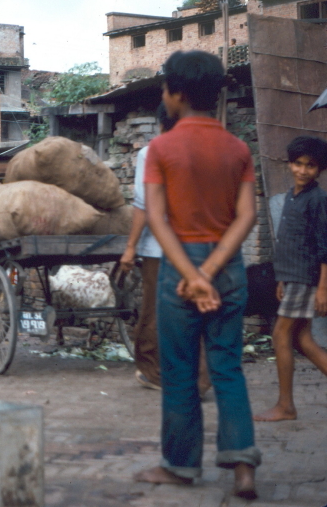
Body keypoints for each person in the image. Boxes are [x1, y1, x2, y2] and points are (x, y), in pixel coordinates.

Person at [134, 50, 260, 500]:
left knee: (181, 370)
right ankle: (243, 465)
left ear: (179, 93)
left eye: (166, 87)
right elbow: (247, 217)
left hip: (180, 267)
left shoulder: (161, 149)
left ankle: (181, 467)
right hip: (228, 266)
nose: (164, 95)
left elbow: (156, 218)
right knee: (227, 367)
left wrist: (192, 275)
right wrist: (210, 270)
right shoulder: (237, 148)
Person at [120, 105, 211, 394]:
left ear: (161, 124)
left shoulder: (152, 152)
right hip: (197, 247)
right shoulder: (204, 151)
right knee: (194, 311)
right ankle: (201, 379)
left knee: (155, 314)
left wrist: (131, 247)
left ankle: (154, 373)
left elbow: (143, 206)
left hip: (160, 251)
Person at [254, 136, 327, 422]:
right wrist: (281, 279)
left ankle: (286, 406)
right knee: (303, 339)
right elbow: (289, 242)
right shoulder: (292, 196)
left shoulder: (318, 199)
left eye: (311, 166)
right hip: (292, 277)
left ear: (319, 169)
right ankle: (286, 405)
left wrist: (323, 287)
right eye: (298, 164)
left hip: (307, 278)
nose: (303, 170)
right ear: (289, 165)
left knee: (281, 334)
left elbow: (324, 246)